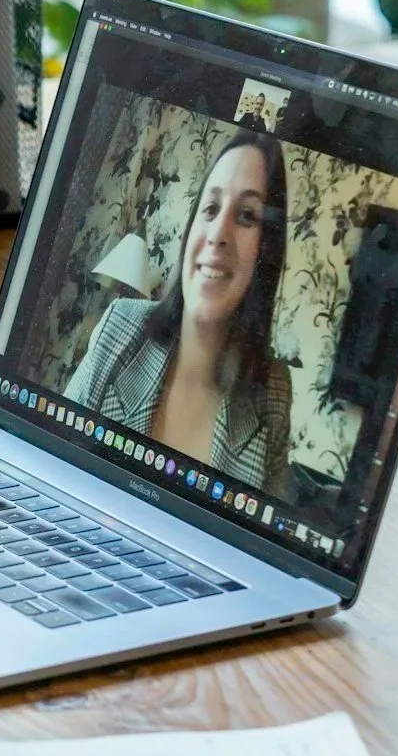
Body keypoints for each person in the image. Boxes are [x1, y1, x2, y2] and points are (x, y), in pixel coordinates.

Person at [63, 128, 295, 492]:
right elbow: (50, 457)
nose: (219, 233)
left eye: (247, 216)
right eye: (211, 208)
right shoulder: (120, 327)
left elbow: (261, 538)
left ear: (266, 251)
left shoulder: (274, 392)